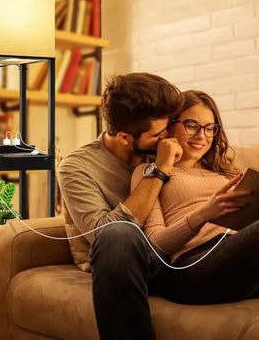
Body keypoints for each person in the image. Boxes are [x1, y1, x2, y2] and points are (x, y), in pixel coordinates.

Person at [131, 89, 259, 306]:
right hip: (197, 267)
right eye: (192, 125)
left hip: (254, 263)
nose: (201, 136)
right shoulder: (150, 172)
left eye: (209, 129)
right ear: (170, 125)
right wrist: (204, 214)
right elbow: (156, 244)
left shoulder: (224, 171)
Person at [58, 72, 184, 340]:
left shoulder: (165, 145)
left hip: (182, 252)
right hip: (129, 261)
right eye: (158, 134)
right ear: (125, 137)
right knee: (117, 234)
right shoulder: (77, 167)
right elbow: (102, 232)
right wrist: (160, 170)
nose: (168, 138)